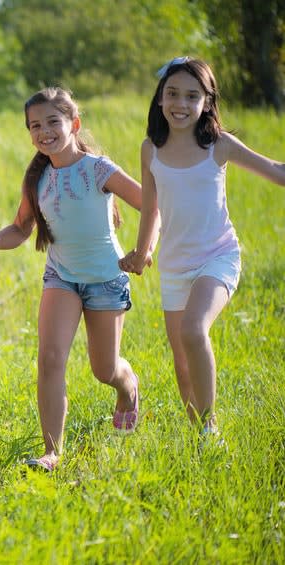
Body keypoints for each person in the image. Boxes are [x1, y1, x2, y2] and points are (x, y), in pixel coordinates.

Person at [0, 87, 152, 472]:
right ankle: (52, 452)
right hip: (62, 277)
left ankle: (128, 385)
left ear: (74, 124)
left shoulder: (98, 168)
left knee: (104, 369)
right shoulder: (37, 178)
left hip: (106, 278)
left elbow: (148, 203)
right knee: (50, 359)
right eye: (35, 125)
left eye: (52, 121)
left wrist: (143, 249)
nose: (44, 131)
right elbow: (20, 230)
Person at [119, 57, 285, 440]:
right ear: (160, 99)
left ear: (207, 102)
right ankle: (198, 438)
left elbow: (275, 170)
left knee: (194, 330)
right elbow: (151, 207)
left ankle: (211, 430)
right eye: (172, 93)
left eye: (192, 96)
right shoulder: (151, 150)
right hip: (175, 266)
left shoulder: (219, 146)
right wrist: (143, 252)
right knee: (182, 366)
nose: (180, 103)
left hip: (218, 257)